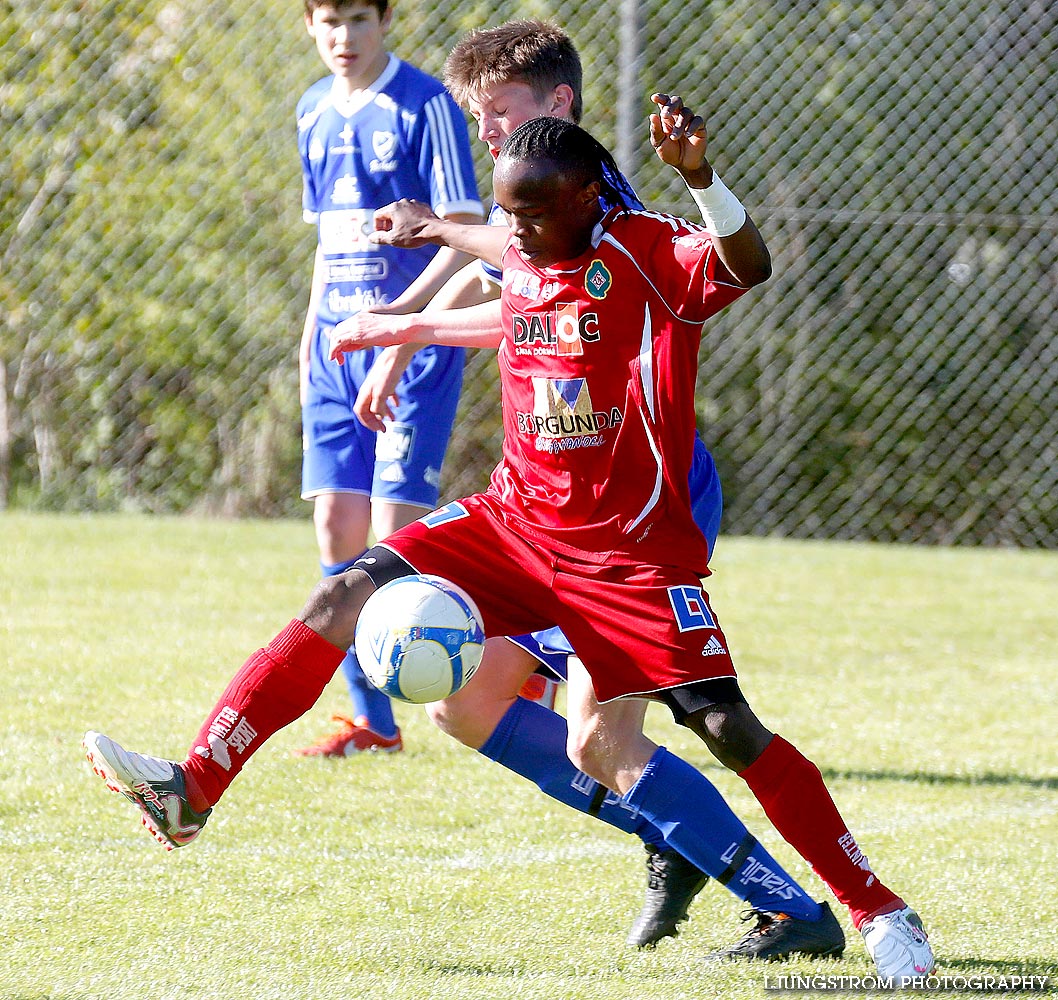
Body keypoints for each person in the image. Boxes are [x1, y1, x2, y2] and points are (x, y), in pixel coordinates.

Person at [82, 101, 934, 983]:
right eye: (506, 214)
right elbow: (489, 245)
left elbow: (746, 265)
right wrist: (426, 226)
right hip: (513, 522)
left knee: (721, 723)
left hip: (629, 554)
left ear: (585, 199)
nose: (514, 233)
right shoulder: (522, 246)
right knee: (341, 594)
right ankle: (192, 790)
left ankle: (878, 912)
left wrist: (701, 177)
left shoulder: (645, 253)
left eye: (531, 214)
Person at [332, 21, 841, 957]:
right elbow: (520, 293)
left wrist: (413, 314)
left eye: (500, 116)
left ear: (557, 107)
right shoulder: (534, 199)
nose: (488, 135)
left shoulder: (605, 211)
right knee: (467, 704)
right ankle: (681, 843)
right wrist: (407, 324)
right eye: (478, 121)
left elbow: (542, 292)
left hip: (628, 514)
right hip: (548, 508)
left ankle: (783, 901)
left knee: (599, 740)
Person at [294, 0, 483, 757]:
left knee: (394, 538)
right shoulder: (311, 110)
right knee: (336, 527)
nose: (345, 39)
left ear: (387, 21)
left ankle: (528, 651)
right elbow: (327, 244)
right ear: (310, 24)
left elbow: (465, 235)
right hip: (336, 350)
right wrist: (310, 333)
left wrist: (405, 323)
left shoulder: (423, 104)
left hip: (412, 348)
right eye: (331, 21)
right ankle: (372, 719)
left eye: (360, 21)